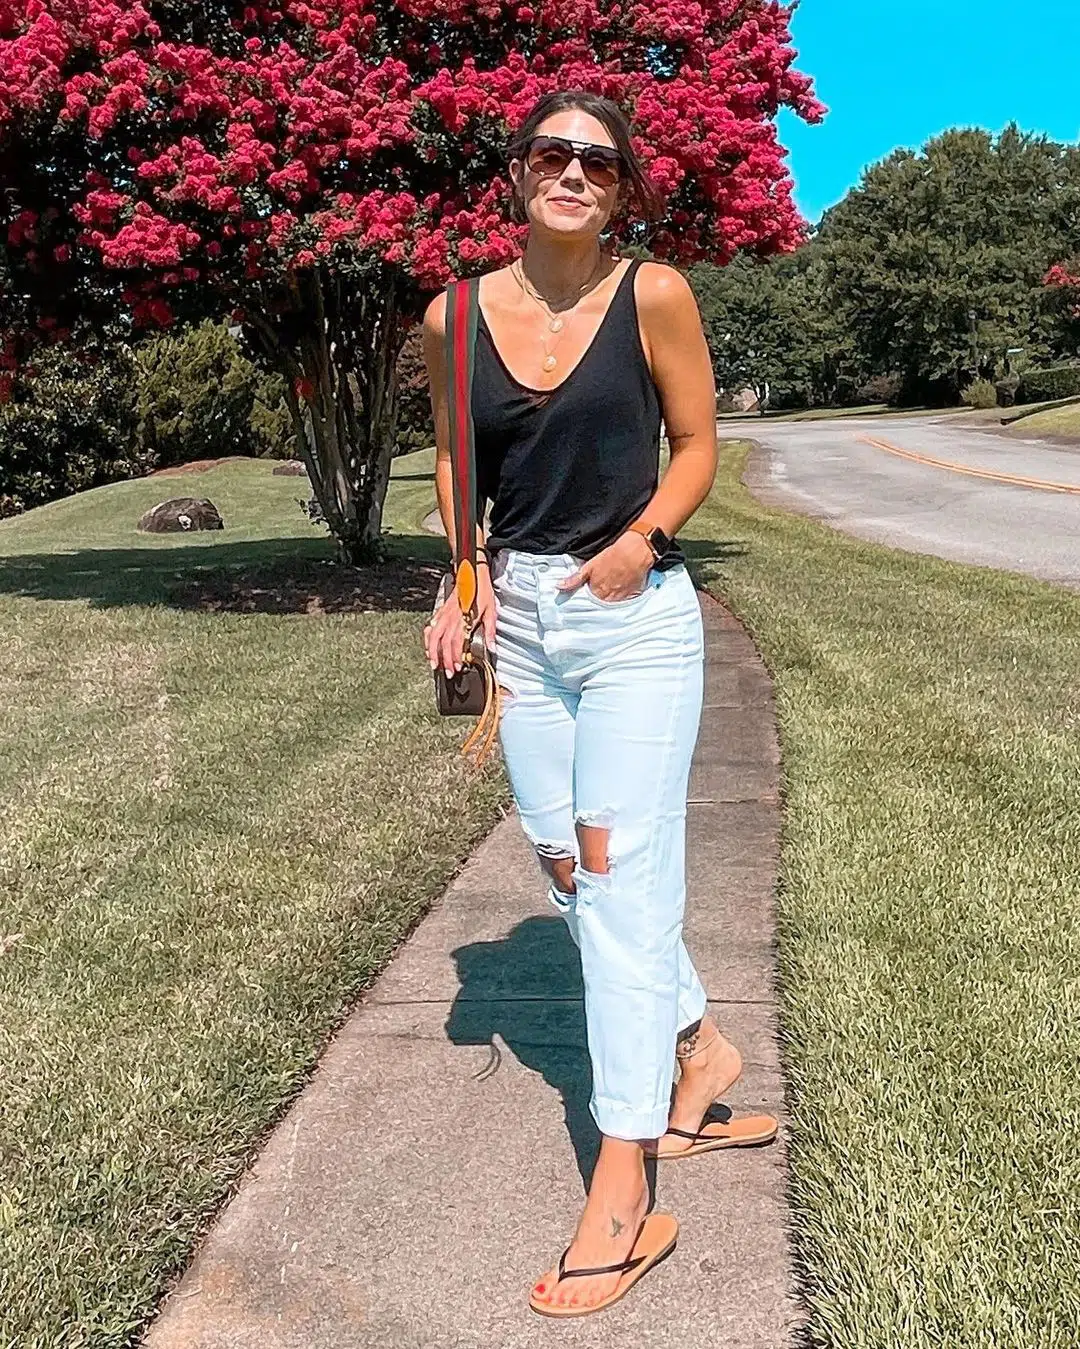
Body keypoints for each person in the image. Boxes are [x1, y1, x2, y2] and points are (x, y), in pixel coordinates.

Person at [422, 89, 776, 1318]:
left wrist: (644, 539)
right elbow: (462, 474)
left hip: (632, 621)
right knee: (560, 862)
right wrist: (458, 585)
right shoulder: (454, 314)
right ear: (516, 176)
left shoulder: (655, 295)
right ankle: (694, 1044)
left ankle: (622, 1183)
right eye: (551, 154)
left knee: (620, 875)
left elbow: (695, 444)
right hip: (522, 618)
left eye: (598, 161)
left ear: (619, 190)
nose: (572, 172)